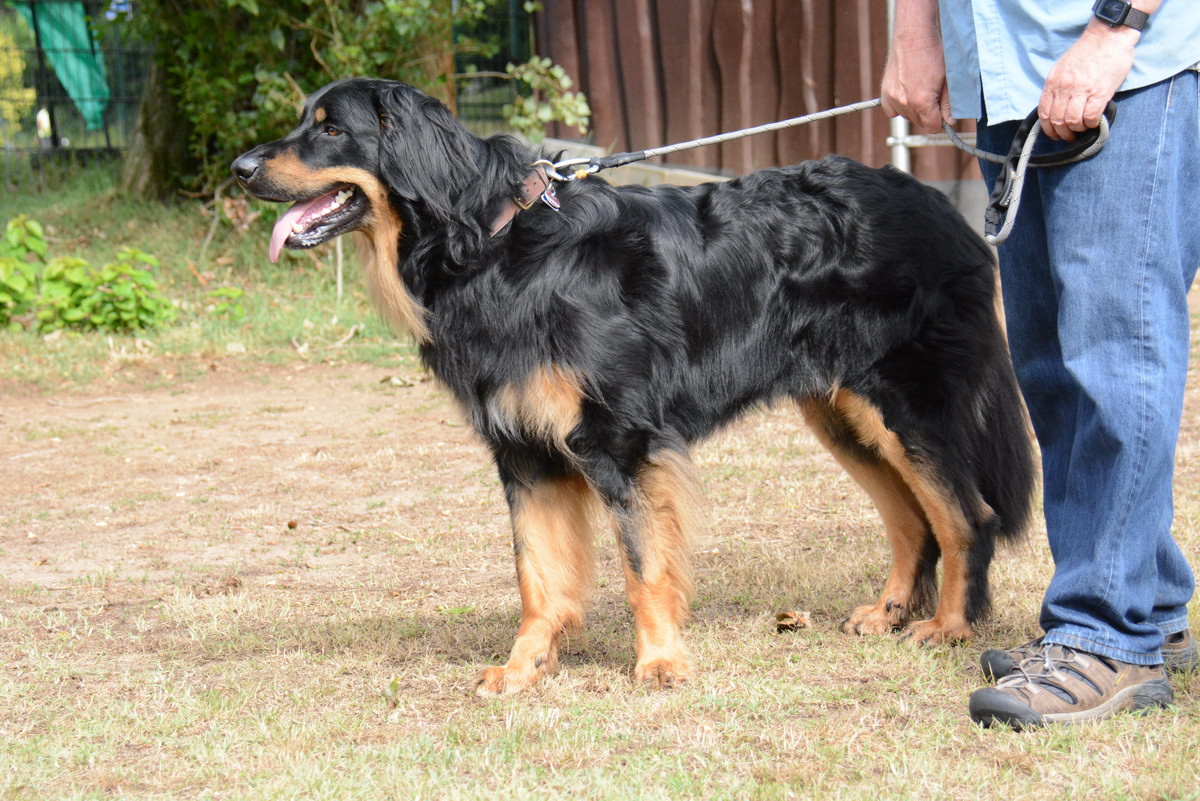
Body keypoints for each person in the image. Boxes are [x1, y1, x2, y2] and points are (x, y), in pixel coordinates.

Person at [882, 0, 1200, 728]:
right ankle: (1149, 603)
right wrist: (915, 28)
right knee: (1051, 358)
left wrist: (1117, 27)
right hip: (1008, 66)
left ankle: (1106, 633)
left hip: (1122, 60)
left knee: (1113, 352)